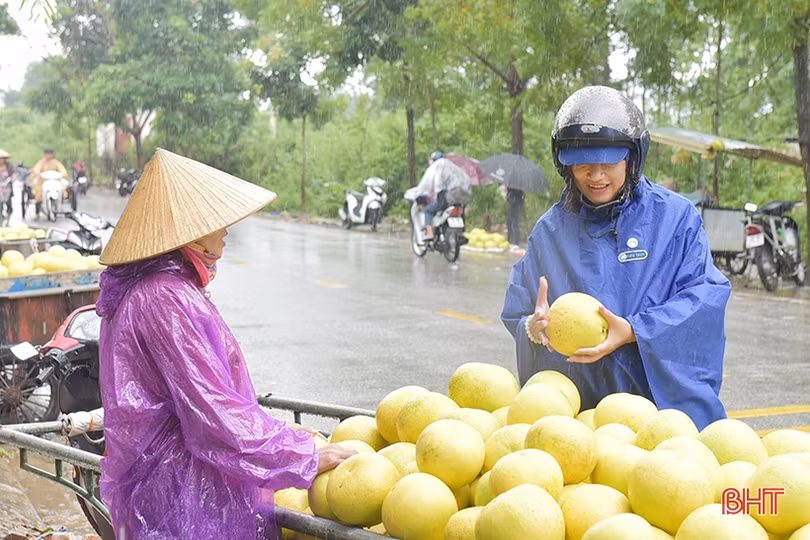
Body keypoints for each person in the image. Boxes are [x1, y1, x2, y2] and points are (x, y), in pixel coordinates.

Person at [96, 148, 355, 540]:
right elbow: (214, 417)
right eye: (213, 221)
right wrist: (304, 455)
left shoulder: (154, 289)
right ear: (186, 233)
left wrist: (286, 436)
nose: (225, 229)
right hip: (184, 495)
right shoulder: (166, 299)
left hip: (170, 488)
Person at [501, 85, 731, 431]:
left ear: (632, 157)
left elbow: (704, 298)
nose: (595, 177)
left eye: (608, 162)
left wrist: (635, 330)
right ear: (565, 165)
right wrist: (534, 329)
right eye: (581, 165)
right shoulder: (550, 232)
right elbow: (521, 314)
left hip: (660, 413)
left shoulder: (675, 220)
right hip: (582, 420)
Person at [415, 151, 472, 241]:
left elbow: (427, 184)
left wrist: (418, 193)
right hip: (463, 196)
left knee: (428, 210)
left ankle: (430, 233)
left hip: (448, 196)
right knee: (460, 211)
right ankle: (461, 233)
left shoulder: (437, 166)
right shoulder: (452, 167)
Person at [31, 148, 68, 217]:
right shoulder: (41, 162)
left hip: (54, 181)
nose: (48, 155)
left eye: (50, 154)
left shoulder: (56, 163)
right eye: (47, 154)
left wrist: (63, 174)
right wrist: (38, 173)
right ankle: (37, 213)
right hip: (43, 181)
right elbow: (36, 169)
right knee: (39, 195)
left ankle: (59, 202)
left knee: (62, 189)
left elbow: (62, 170)